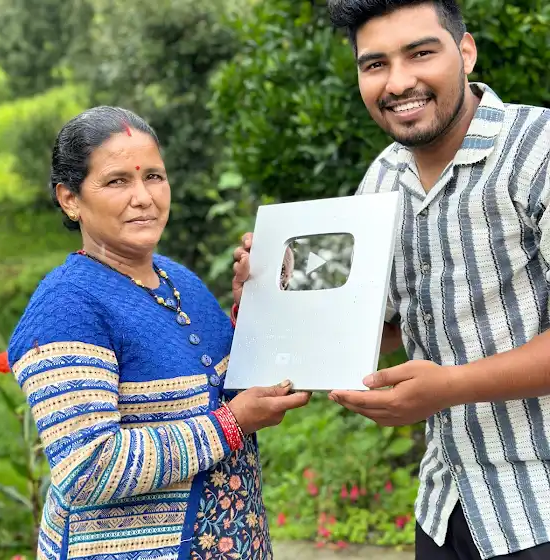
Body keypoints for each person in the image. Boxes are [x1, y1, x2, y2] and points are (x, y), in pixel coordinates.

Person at [232, 1, 550, 559]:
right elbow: (371, 328)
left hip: (537, 507)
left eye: (420, 53)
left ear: (466, 52)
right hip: (445, 504)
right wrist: (267, 298)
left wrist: (448, 388)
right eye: (375, 64)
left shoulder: (538, 150)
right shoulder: (382, 178)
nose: (398, 82)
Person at [7, 106, 311, 560]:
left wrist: (257, 302)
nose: (144, 197)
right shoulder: (66, 307)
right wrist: (232, 424)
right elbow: (87, 469)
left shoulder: (179, 281)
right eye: (117, 181)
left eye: (153, 176)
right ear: (70, 199)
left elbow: (224, 384)